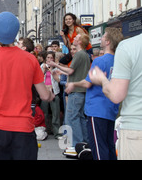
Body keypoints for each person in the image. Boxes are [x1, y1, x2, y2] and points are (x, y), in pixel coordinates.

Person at [0, 12, 54, 160]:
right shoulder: (30, 60)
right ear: (16, 33)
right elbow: (44, 95)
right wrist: (51, 94)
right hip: (23, 129)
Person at [64, 27, 123, 160]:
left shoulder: (99, 61)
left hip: (97, 109)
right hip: (111, 108)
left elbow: (88, 83)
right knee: (109, 146)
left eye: (103, 36)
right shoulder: (118, 61)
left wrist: (74, 84)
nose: (101, 38)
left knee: (99, 148)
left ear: (107, 42)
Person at [89, 32, 142, 160]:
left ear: (107, 42)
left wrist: (102, 79)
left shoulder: (128, 47)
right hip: (111, 113)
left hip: (135, 127)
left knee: (101, 146)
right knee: (109, 145)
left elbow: (116, 95)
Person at [48, 33, 91, 150]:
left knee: (73, 117)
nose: (74, 39)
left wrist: (55, 65)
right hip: (82, 91)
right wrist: (63, 72)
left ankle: (77, 144)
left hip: (76, 91)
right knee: (80, 117)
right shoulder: (85, 55)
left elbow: (71, 71)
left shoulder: (79, 54)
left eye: (77, 38)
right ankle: (84, 143)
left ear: (80, 42)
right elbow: (75, 72)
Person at [41, 51, 61, 139]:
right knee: (44, 112)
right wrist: (44, 70)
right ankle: (45, 131)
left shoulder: (56, 68)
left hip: (54, 91)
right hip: (45, 92)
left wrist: (52, 70)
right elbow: (38, 78)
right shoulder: (42, 66)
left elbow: (59, 80)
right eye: (48, 58)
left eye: (51, 58)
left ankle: (56, 132)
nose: (49, 59)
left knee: (55, 112)